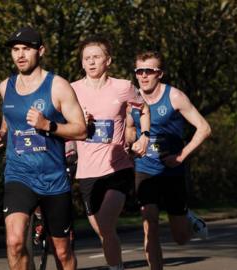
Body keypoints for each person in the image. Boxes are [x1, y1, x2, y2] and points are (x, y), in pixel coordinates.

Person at [0, 26, 86, 270]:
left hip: (53, 178)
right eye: (15, 50)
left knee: (62, 253)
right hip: (19, 174)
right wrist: (0, 135)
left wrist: (48, 125)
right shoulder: (5, 87)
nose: (20, 55)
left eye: (26, 49)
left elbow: (81, 130)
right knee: (14, 242)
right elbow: (9, 121)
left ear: (40, 51)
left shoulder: (58, 86)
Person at [71, 36, 150, 270]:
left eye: (96, 57)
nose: (91, 62)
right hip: (86, 172)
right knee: (103, 232)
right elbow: (60, 124)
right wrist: (76, 123)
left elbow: (143, 108)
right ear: (82, 63)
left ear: (108, 60)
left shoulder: (123, 87)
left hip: (117, 167)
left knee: (105, 223)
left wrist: (145, 135)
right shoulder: (71, 90)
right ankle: (117, 267)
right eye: (87, 58)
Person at [127, 51, 211, 270]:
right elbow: (129, 128)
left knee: (180, 238)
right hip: (145, 169)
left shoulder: (174, 97)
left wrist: (182, 155)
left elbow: (204, 128)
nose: (144, 76)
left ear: (160, 73)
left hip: (172, 170)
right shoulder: (131, 100)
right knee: (150, 223)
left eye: (149, 71)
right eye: (139, 71)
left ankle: (188, 218)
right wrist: (131, 144)